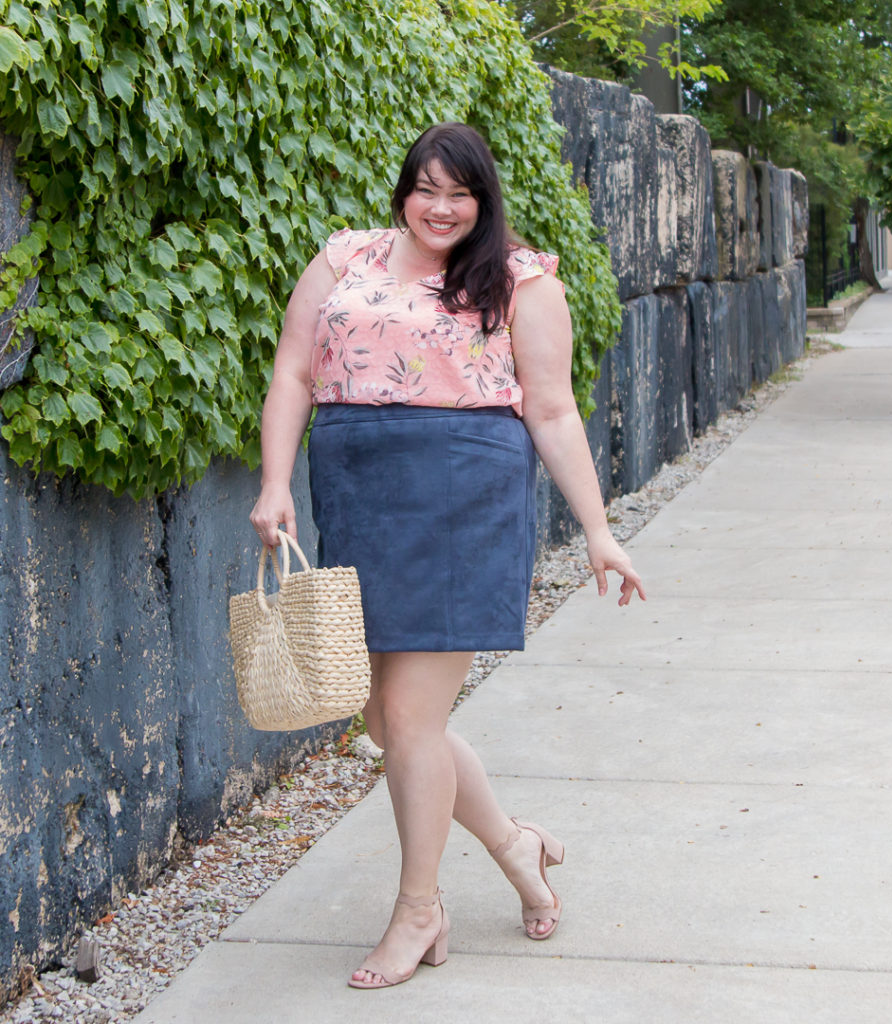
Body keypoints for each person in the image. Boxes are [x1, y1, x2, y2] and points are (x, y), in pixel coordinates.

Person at [250, 122, 645, 990]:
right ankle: (516, 845)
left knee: (413, 722)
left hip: (465, 495)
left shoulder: (522, 282)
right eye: (425, 188)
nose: (440, 207)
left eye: (459, 194)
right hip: (358, 489)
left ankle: (419, 909)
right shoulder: (343, 259)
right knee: (385, 721)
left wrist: (600, 530)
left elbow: (551, 411)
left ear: (483, 199)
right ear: (403, 190)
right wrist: (276, 484)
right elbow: (292, 372)